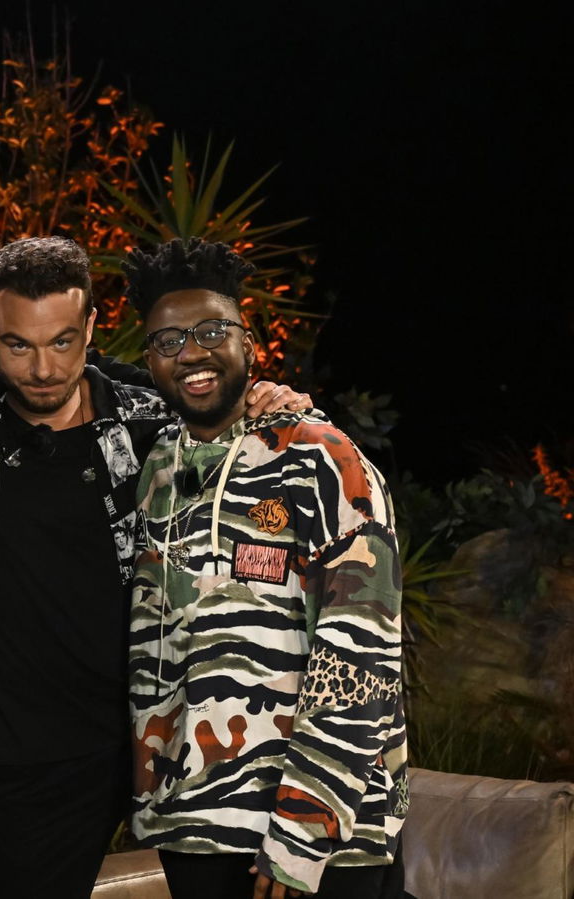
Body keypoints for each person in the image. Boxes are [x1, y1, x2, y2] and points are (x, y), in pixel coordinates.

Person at [0, 236, 312, 898]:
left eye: (63, 341)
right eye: (18, 345)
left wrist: (275, 400)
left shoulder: (150, 419)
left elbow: (229, 413)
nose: (43, 368)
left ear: (92, 326)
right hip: (31, 756)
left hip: (169, 739)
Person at [124, 238, 406, 899]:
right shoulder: (155, 471)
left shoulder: (324, 461)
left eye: (211, 331)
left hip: (325, 840)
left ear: (248, 343)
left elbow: (361, 658)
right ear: (150, 359)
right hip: (193, 826)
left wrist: (302, 837)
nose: (191, 352)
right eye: (168, 341)